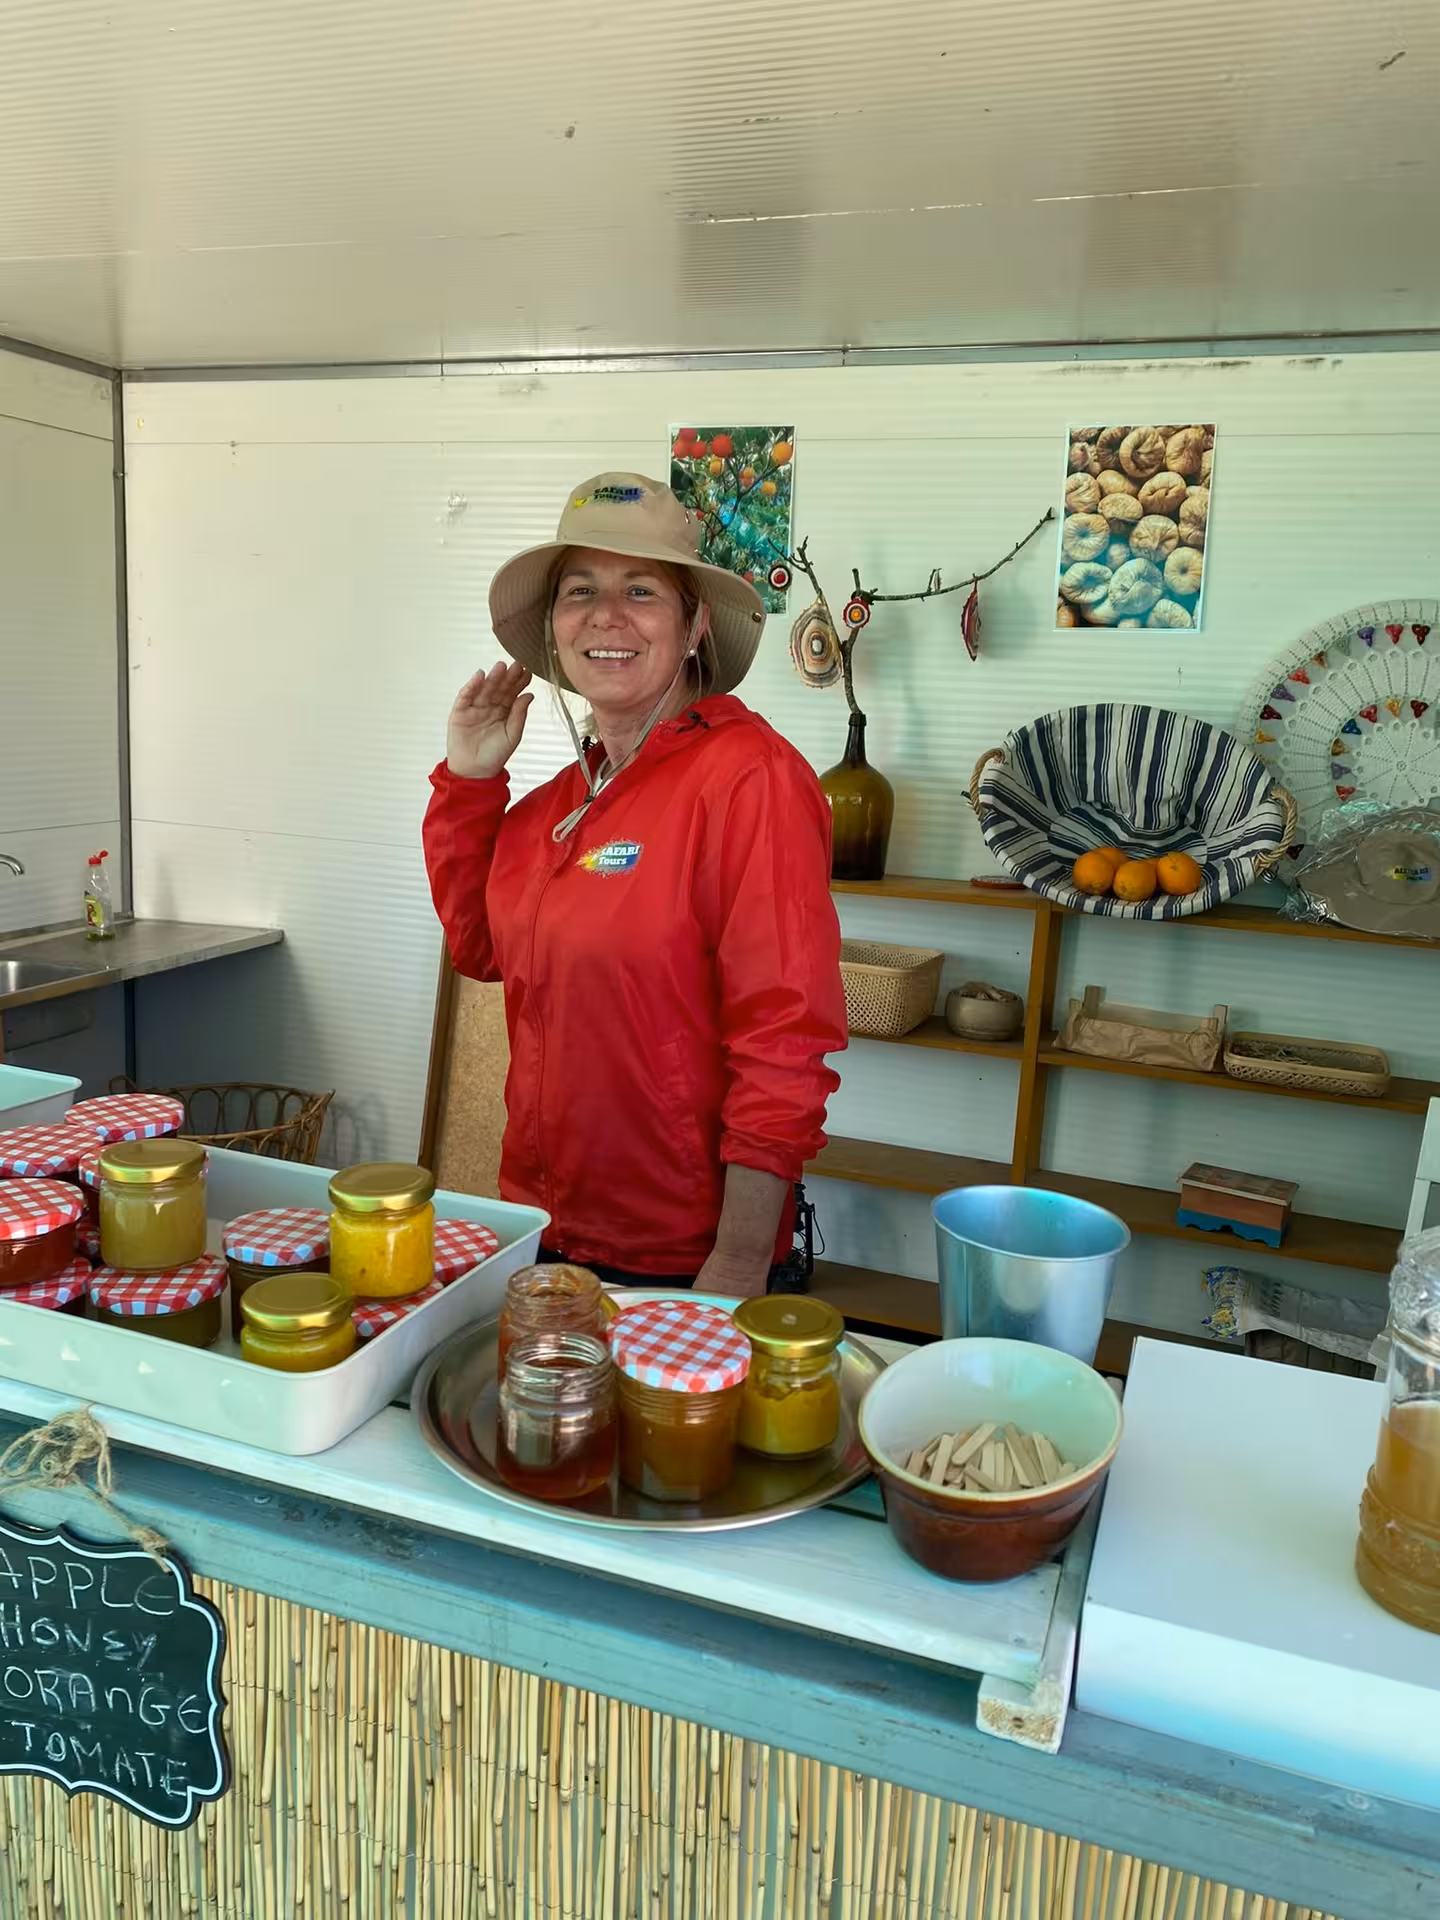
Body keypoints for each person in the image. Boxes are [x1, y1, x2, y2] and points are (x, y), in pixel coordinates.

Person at [424, 473, 847, 1299]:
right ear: (554, 628)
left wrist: (737, 1260)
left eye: (641, 590)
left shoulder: (750, 779)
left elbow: (785, 1036)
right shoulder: (560, 806)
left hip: (684, 1256)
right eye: (580, 590)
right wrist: (470, 782)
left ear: (694, 625)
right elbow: (480, 948)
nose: (606, 615)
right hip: (546, 1228)